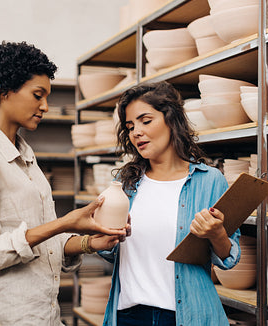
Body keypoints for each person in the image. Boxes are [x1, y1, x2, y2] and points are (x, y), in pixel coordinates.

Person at [0, 41, 126, 325]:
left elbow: (45, 244)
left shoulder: (26, 157)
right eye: (37, 95)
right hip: (3, 318)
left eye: (47, 97)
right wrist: (64, 223)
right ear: (4, 91)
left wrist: (89, 242)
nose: (45, 106)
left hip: (43, 314)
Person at [98, 81, 241, 326]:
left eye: (146, 120)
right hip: (130, 315)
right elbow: (110, 251)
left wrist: (217, 233)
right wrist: (105, 235)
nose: (136, 132)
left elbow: (229, 257)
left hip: (186, 316)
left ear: (171, 119)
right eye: (130, 126)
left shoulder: (209, 180)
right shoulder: (126, 183)